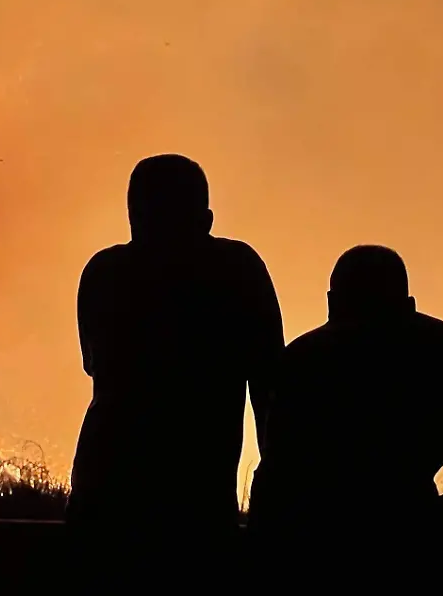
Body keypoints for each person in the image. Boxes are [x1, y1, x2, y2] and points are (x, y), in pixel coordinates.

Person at [249, 244, 443, 548]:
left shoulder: (303, 360)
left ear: (332, 304)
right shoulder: (438, 350)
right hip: (411, 540)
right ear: (409, 304)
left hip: (315, 545)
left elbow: (273, 477)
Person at [67, 154, 284, 535]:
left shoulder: (104, 272)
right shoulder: (237, 269)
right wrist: (278, 486)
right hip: (198, 490)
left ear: (133, 216)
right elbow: (269, 387)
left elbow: (94, 364)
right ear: (205, 220)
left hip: (104, 484)